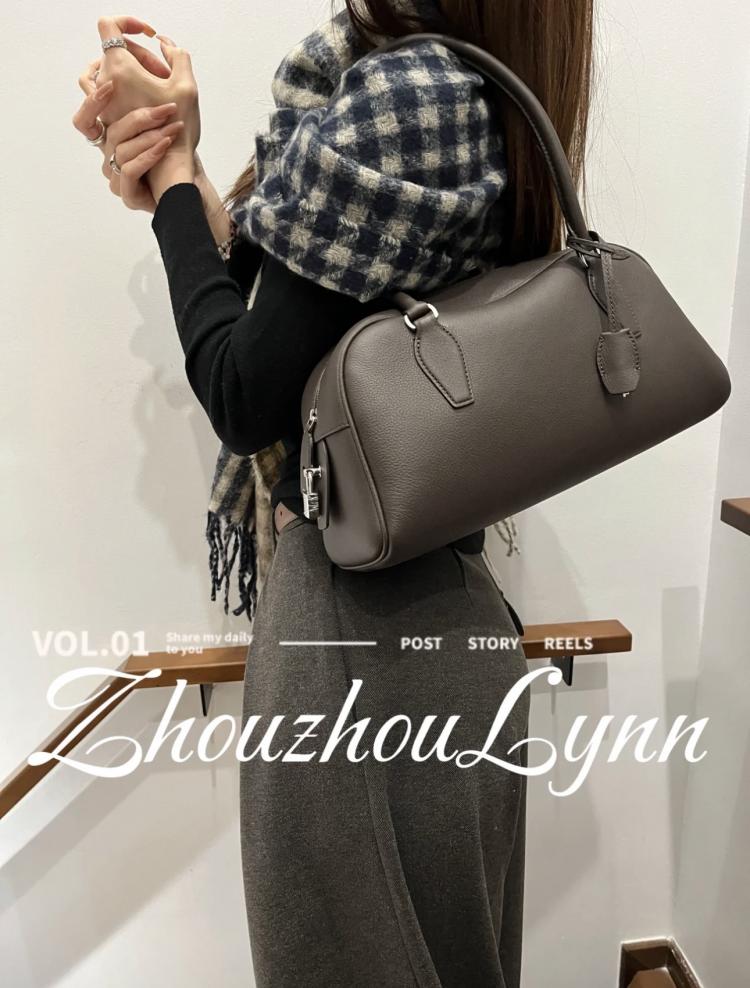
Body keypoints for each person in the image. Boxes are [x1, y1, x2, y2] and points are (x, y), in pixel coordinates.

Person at [73, 3, 593, 984]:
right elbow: (295, 332)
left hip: (358, 633)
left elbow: (245, 392)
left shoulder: (409, 96)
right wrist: (179, 167)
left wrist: (175, 178)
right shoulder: (472, 91)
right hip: (446, 619)